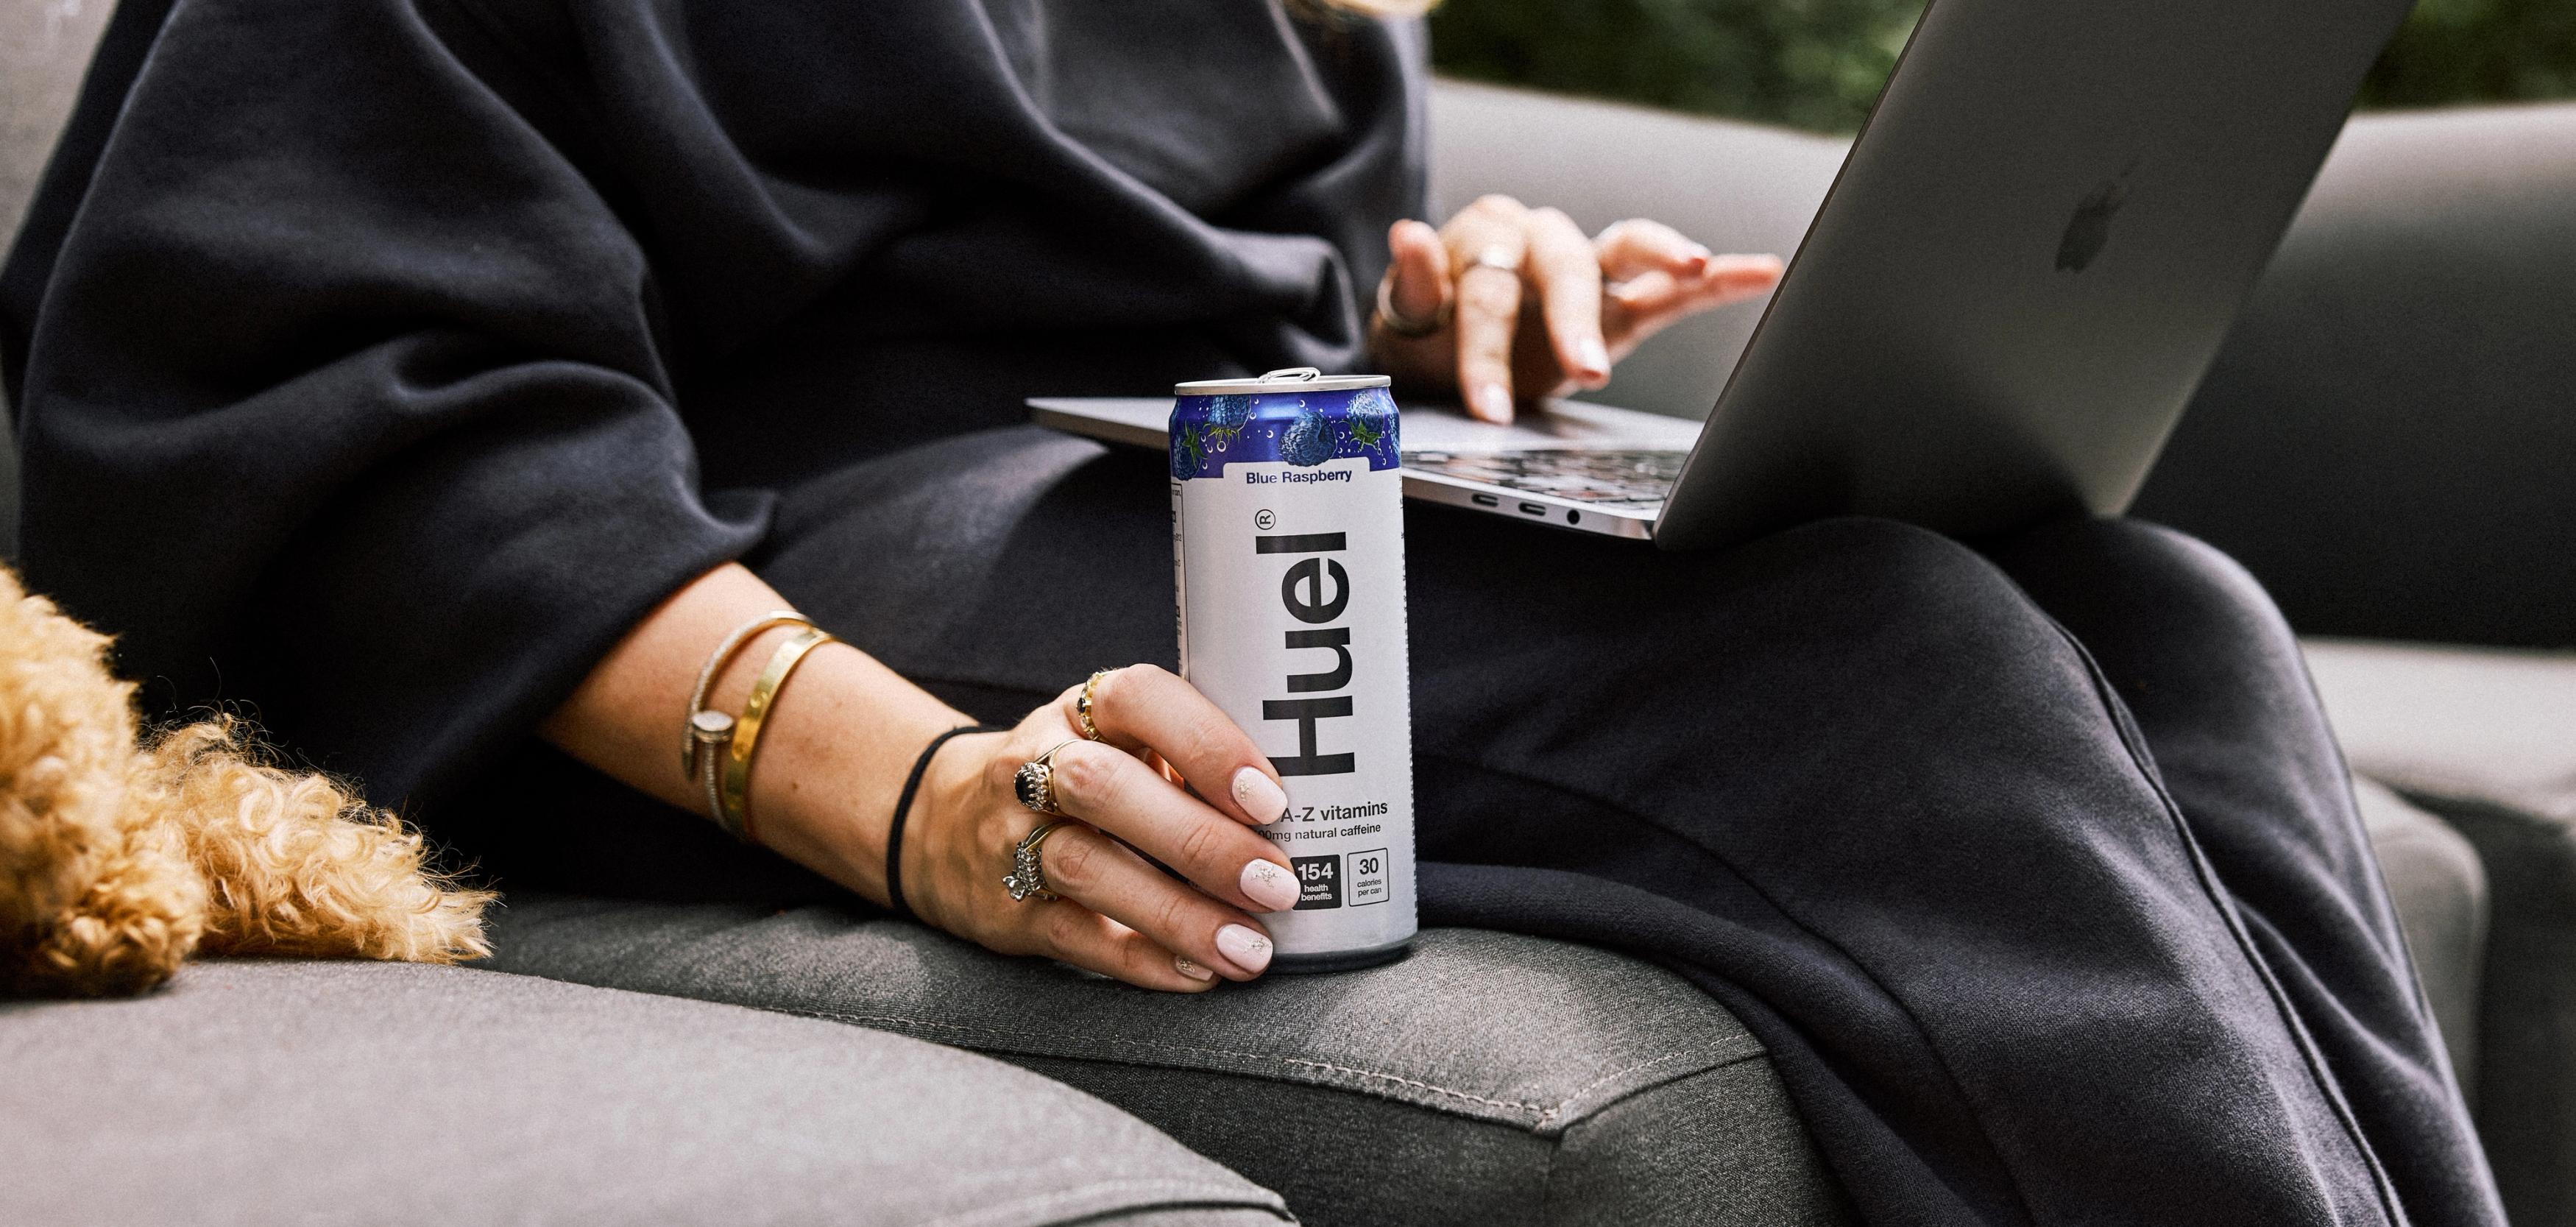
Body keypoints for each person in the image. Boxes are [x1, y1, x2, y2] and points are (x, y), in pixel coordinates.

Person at [0, 0, 2502, 1222]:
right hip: (756, 531)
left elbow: (1190, 278)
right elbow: (313, 372)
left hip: (1163, 477)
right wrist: (921, 795)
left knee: (2161, 611)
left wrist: (1405, 346)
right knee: (1895, 671)